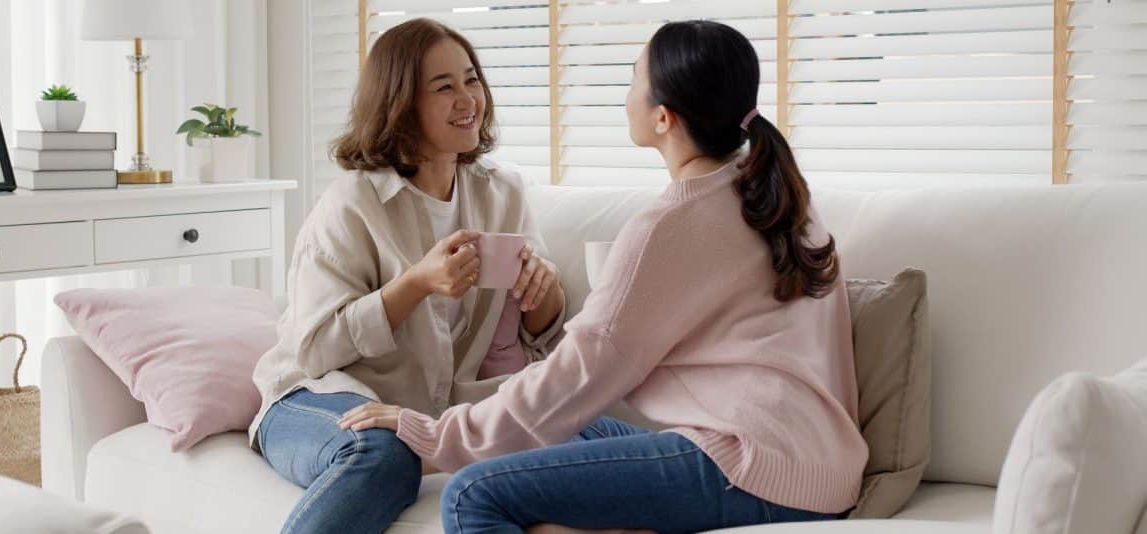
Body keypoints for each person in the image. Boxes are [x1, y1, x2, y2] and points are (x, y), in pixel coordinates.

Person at [341, 20, 868, 533]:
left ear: (663, 117)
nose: (625, 94)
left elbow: (580, 371)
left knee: (472, 494)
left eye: (633, 79)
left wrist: (436, 436)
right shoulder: (782, 197)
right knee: (567, 429)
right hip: (823, 468)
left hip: (753, 469)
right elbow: (570, 399)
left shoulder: (672, 225)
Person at [248, 18, 566, 534]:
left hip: (418, 415)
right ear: (400, 104)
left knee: (568, 429)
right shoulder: (352, 203)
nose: (468, 99)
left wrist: (542, 288)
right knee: (385, 453)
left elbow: (543, 333)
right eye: (444, 87)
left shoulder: (502, 193)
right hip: (315, 397)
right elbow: (314, 350)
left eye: (472, 80)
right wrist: (415, 284)